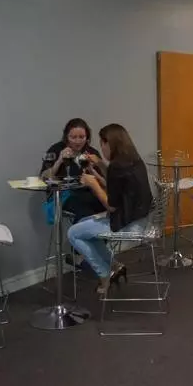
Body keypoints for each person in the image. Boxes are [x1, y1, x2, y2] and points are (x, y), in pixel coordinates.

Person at [67, 123, 153, 297]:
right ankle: (114, 265)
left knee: (73, 233)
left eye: (102, 144)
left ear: (110, 143)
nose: (102, 148)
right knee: (84, 223)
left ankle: (104, 273)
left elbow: (111, 205)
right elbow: (117, 186)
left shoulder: (117, 166)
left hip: (129, 225)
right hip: (141, 219)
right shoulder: (133, 161)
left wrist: (93, 184)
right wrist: (100, 165)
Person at [40, 118, 106, 221]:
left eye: (81, 137)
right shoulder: (57, 149)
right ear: (66, 137)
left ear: (87, 137)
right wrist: (59, 161)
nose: (78, 141)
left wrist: (95, 168)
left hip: (88, 193)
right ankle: (82, 230)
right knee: (83, 209)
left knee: (105, 205)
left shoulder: (91, 152)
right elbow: (44, 177)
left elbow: (103, 180)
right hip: (63, 195)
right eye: (73, 137)